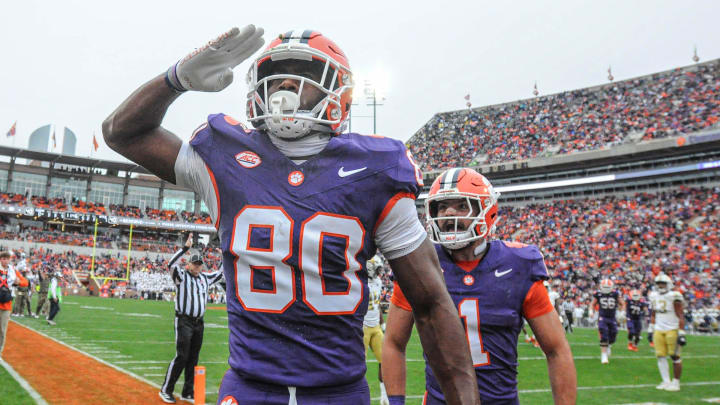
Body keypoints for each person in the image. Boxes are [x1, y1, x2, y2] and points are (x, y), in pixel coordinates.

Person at [104, 26, 480, 405]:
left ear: (338, 90)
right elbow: (122, 132)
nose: (285, 84)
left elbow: (431, 305)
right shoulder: (224, 155)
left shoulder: (376, 171)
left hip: (339, 393)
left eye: (305, 73)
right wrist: (177, 79)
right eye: (276, 74)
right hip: (249, 389)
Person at [382, 168, 576, 405]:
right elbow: (393, 342)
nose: (448, 213)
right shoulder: (419, 264)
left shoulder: (517, 265)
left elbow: (556, 349)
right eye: (442, 207)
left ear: (487, 210)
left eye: (461, 205)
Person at [160, 233, 224, 403]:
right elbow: (170, 264)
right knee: (182, 356)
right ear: (188, 265)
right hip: (184, 320)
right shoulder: (181, 276)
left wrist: (224, 255)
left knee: (193, 358)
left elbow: (220, 274)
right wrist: (185, 249)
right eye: (194, 264)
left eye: (199, 264)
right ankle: (166, 389)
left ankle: (188, 391)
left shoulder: (205, 278)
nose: (197, 267)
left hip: (198, 323)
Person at [649, 273, 686, 391]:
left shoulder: (674, 296)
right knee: (660, 356)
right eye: (659, 283)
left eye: (663, 283)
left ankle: (676, 382)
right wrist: (651, 328)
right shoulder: (653, 295)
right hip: (659, 329)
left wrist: (681, 332)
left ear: (668, 284)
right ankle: (666, 381)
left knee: (675, 356)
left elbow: (680, 315)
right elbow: (653, 313)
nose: (660, 286)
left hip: (672, 329)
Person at [364, 255, 389, 405]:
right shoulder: (361, 283)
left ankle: (384, 396)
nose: (380, 272)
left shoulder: (378, 282)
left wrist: (382, 323)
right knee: (360, 366)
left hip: (376, 327)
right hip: (363, 328)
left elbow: (378, 304)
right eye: (378, 269)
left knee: (385, 361)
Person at [592, 278, 623, 364]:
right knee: (604, 334)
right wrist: (591, 311)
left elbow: (622, 303)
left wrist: (622, 312)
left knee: (614, 334)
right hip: (603, 317)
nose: (605, 289)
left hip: (612, 317)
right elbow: (592, 304)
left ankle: (609, 345)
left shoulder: (615, 294)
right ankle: (604, 356)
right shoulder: (598, 294)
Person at [0, 251, 17, 356]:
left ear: (9, 259)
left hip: (6, 303)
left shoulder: (12, 270)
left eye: (6, 258)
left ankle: (0, 352)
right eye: (2, 258)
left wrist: (16, 281)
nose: (4, 260)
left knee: (2, 330)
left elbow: (21, 281)